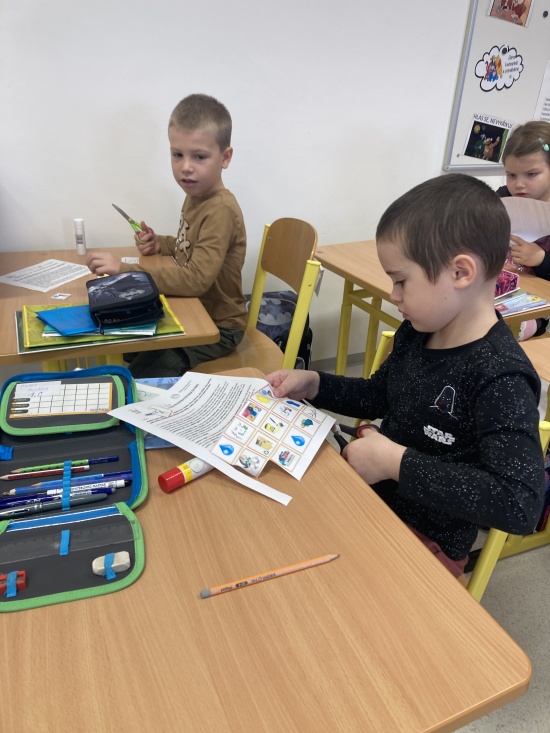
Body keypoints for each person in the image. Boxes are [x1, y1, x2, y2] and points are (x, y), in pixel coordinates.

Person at [267, 174, 545, 579]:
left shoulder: (501, 375)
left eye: (401, 280)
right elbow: (377, 395)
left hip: (426, 543)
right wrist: (315, 384)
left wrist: (395, 463)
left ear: (461, 272)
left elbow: (519, 504)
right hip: (375, 502)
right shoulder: (417, 331)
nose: (394, 295)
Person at [87, 93, 247, 377]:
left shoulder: (220, 210)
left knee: (136, 375)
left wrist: (125, 272)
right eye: (177, 155)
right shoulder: (196, 195)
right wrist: (159, 243)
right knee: (124, 342)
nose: (186, 167)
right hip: (191, 311)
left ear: (225, 158)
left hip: (219, 328)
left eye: (199, 156)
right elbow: (189, 247)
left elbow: (196, 279)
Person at [497, 120, 550, 339]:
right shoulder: (502, 198)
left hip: (534, 304)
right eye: (511, 175)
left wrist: (541, 259)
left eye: (531, 174)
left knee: (496, 333)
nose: (519, 184)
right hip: (493, 287)